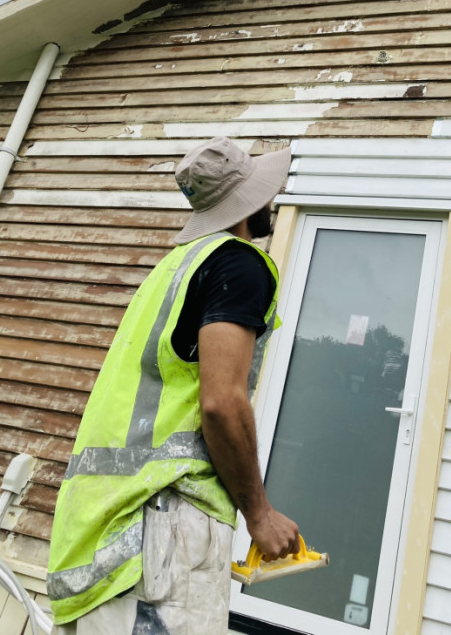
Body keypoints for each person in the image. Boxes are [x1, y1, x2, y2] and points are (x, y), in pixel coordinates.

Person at [46, 137, 300, 634]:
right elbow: (222, 404)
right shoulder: (238, 263)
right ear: (251, 201)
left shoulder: (169, 271)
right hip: (165, 525)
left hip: (96, 531)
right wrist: (259, 512)